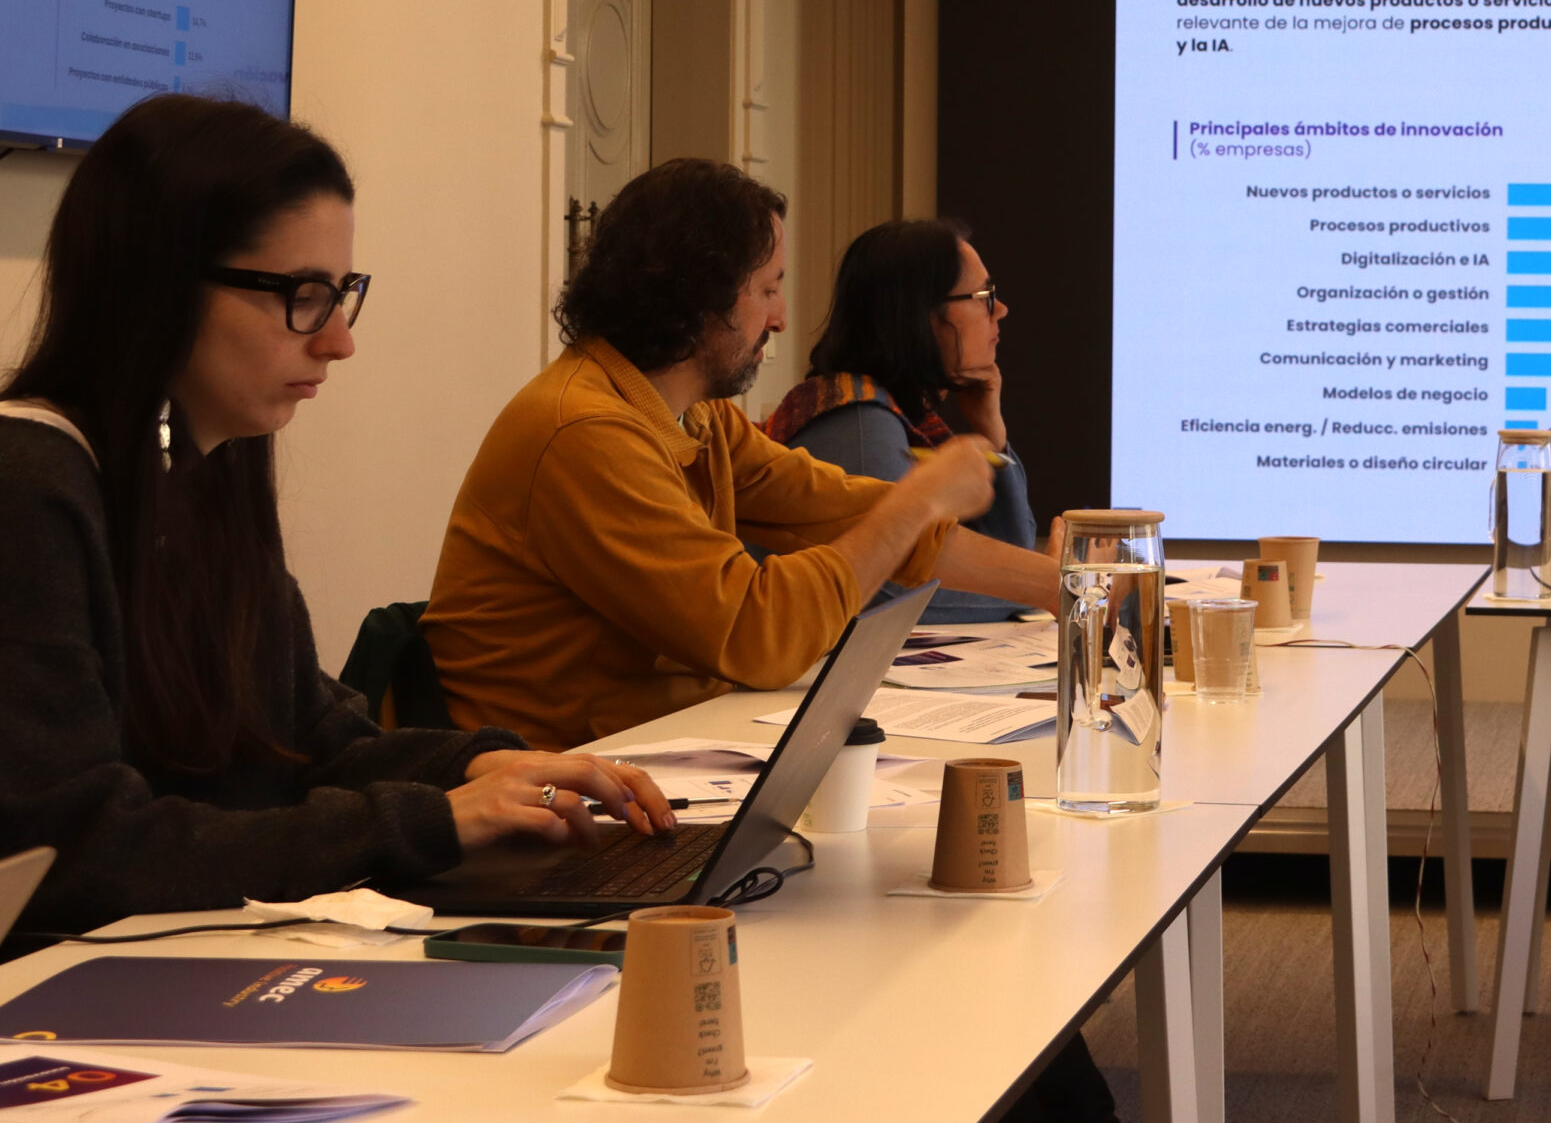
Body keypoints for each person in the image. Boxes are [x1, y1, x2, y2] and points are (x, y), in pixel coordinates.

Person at [0, 96, 670, 942]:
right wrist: (427, 820)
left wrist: (483, 764)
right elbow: (76, 852)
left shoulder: (204, 465)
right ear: (159, 288)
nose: (338, 341)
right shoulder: (29, 488)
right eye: (304, 295)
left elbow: (308, 739)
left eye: (342, 293)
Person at [421, 160, 1059, 752]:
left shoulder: (699, 415)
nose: (780, 319)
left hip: (662, 754)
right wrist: (919, 499)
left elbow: (844, 512)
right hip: (567, 782)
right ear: (697, 296)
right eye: (768, 289)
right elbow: (756, 635)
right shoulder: (586, 432)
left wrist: (1070, 590)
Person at [765, 219, 1030, 623]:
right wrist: (1031, 590)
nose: (1001, 310)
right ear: (922, 315)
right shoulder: (859, 421)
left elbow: (1013, 554)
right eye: (984, 296)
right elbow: (887, 591)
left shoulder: (908, 419)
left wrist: (992, 433)